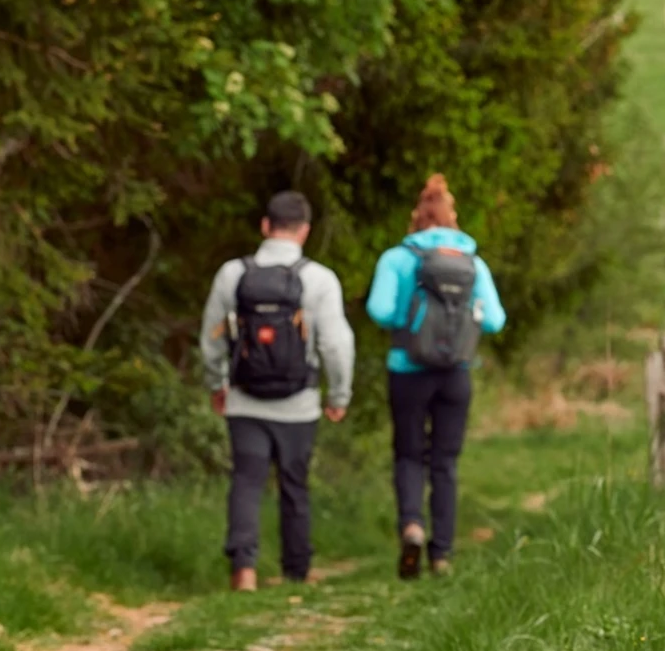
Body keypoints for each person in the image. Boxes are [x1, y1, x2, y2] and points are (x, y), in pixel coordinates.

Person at [199, 190, 354, 592]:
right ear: (304, 231)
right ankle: (296, 572)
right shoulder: (319, 279)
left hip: (245, 400)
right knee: (294, 484)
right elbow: (336, 345)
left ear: (265, 226)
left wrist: (217, 384)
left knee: (246, 481)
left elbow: (212, 337)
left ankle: (244, 571)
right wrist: (338, 395)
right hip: (299, 404)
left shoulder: (232, 274)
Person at [366, 174, 506, 580]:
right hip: (456, 372)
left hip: (407, 369)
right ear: (451, 218)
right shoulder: (473, 263)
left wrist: (407, 321)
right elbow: (495, 320)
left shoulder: (398, 258)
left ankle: (412, 526)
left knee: (409, 454)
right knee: (445, 462)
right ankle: (441, 553)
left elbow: (379, 309)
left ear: (417, 218)